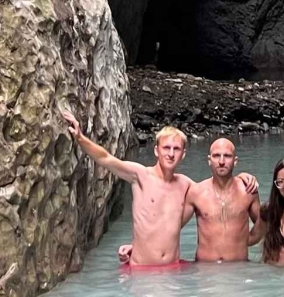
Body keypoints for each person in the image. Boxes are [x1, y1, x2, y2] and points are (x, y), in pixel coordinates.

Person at [62, 113, 193, 269]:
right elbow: (106, 158)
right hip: (141, 271)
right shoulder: (140, 175)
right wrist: (80, 138)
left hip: (172, 269)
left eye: (176, 149)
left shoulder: (186, 186)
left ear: (183, 154)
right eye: (166, 148)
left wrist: (136, 244)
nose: (171, 154)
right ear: (157, 151)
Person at [181, 138, 261, 262]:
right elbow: (173, 228)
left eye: (227, 156)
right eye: (216, 156)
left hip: (239, 269)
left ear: (235, 161)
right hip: (205, 270)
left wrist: (248, 240)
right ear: (209, 160)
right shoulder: (196, 192)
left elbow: (264, 224)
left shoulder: (248, 190)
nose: (222, 161)